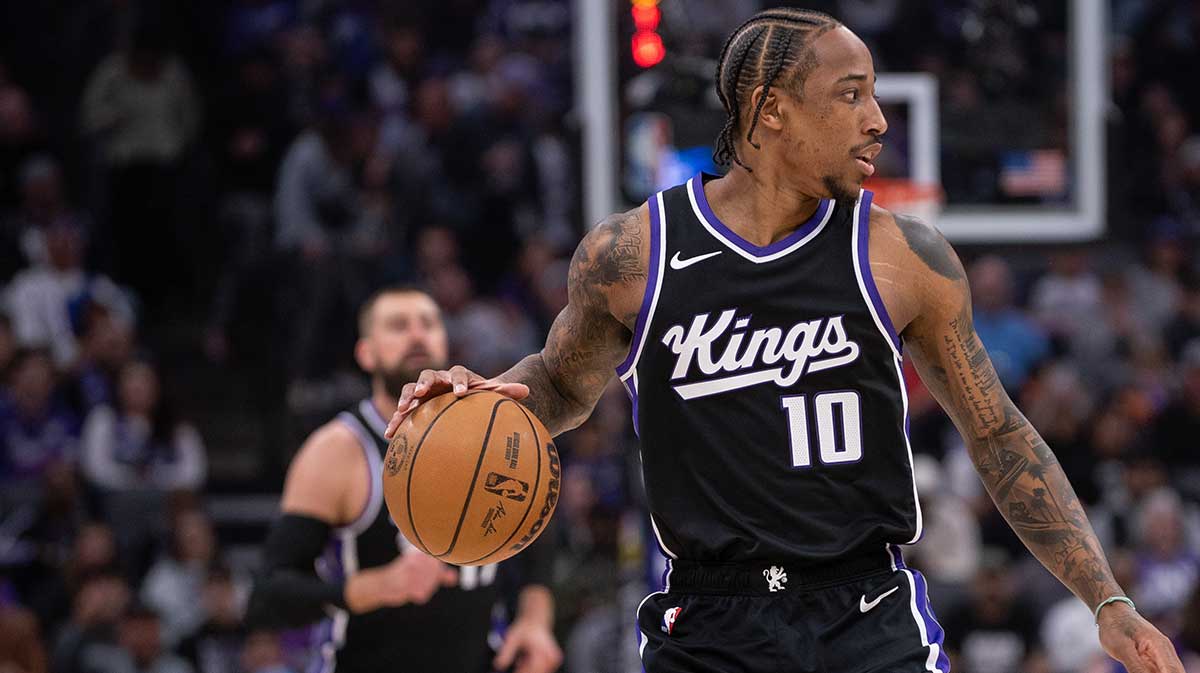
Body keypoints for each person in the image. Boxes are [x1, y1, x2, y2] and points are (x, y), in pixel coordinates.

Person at [386, 9, 1184, 673]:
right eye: (851, 95)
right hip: (710, 620)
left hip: (866, 614)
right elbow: (559, 387)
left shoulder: (902, 257)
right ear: (772, 110)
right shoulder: (634, 255)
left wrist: (1106, 599)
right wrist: (483, 394)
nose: (878, 119)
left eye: (874, 95)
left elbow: (1001, 437)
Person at [247, 286, 561, 673]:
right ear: (366, 353)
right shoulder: (337, 450)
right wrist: (381, 585)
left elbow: (536, 516)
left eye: (428, 323)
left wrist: (535, 617)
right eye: (398, 326)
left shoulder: (488, 430)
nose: (417, 334)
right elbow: (268, 597)